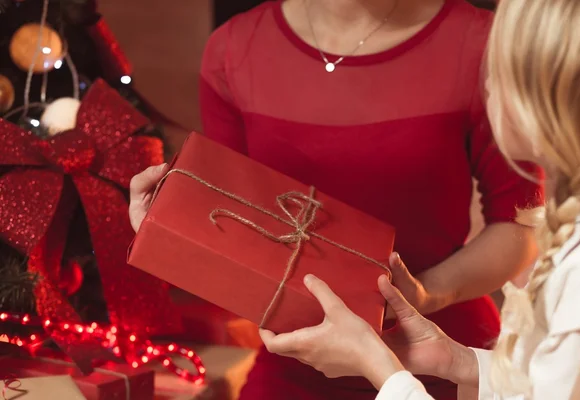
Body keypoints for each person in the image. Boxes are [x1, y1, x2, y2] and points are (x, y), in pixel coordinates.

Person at [130, 0, 543, 398]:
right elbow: (235, 235)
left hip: (437, 357)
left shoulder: (483, 44)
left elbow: (520, 229)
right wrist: (164, 227)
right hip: (297, 364)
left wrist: (424, 294)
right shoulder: (233, 49)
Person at [249, 0, 580, 398]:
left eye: (497, 73)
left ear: (548, 102)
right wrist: (454, 360)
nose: (484, 84)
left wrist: (378, 366)